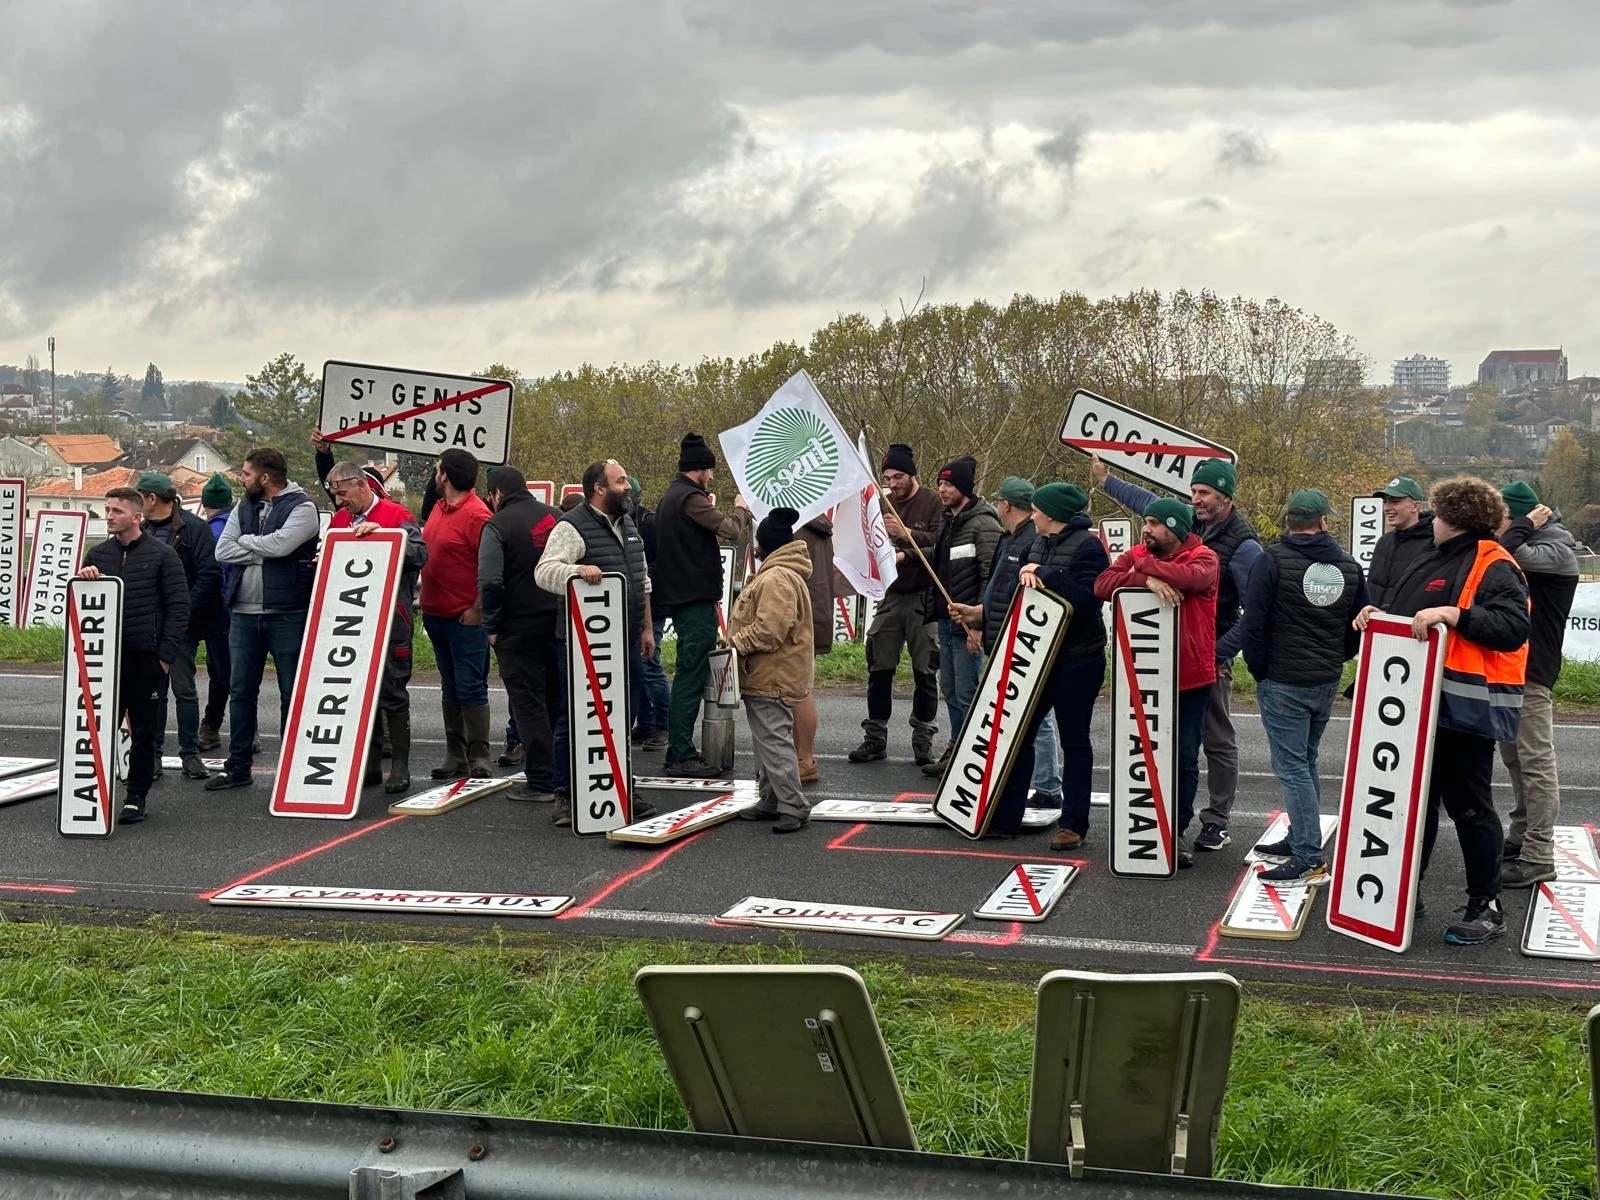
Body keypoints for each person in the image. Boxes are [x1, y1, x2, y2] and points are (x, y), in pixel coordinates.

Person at [1354, 476, 1530, 945]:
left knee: (1471, 808)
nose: (1432, 520)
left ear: (1454, 518)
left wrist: (1456, 615)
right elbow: (1408, 616)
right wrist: (1376, 619)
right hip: (1419, 707)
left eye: (1437, 513)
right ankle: (1404, 892)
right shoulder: (1432, 556)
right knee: (1417, 805)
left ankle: (1486, 907)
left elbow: (1514, 626)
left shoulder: (1495, 563)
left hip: (1465, 711)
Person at [1092, 455, 1258, 852]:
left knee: (1215, 741)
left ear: (1226, 497)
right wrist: (1108, 481)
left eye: (1204, 493)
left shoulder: (1243, 544)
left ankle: (1216, 820)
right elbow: (1148, 503)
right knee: (1158, 745)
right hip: (1161, 658)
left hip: (1208, 654)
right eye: (1194, 493)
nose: (1196, 499)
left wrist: (1221, 652)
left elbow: (1254, 611)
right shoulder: (1185, 523)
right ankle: (1156, 821)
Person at [1241, 489, 1367, 886]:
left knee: (1292, 766)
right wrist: (1337, 659)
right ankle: (1300, 835)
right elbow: (1358, 625)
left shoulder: (1271, 560)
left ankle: (1308, 855)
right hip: (1325, 678)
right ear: (1325, 522)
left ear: (1288, 522)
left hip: (1283, 679)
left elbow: (1254, 622)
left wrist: (1260, 670)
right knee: (1306, 760)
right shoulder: (1349, 566)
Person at [1094, 498, 1219, 867]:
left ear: (1175, 529)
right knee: (1143, 755)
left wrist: (1145, 566)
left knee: (1182, 758)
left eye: (1153, 523)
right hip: (1143, 675)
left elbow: (1190, 579)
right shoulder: (1136, 555)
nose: (1145, 529)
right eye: (1144, 522)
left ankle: (1175, 831)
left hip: (1190, 678)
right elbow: (1102, 584)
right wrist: (1143, 578)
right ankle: (1143, 827)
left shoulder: (1204, 557)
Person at [534, 458, 657, 827]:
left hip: (627, 638)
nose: (629, 489)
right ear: (599, 488)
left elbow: (642, 580)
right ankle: (565, 794)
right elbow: (544, 571)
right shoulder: (572, 526)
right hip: (582, 644)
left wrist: (647, 628)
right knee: (575, 718)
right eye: (621, 482)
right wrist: (576, 572)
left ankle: (621, 787)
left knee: (622, 717)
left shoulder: (630, 524)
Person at [984, 484, 1109, 843]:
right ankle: (1006, 818)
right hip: (1036, 657)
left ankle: (1073, 824)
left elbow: (1088, 599)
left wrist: (1047, 574)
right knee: (1019, 735)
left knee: (1075, 740)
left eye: (1037, 510)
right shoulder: (1036, 543)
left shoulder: (1089, 546)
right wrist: (1026, 576)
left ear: (1052, 515)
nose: (1033, 514)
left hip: (1077, 659)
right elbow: (1018, 587)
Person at [947, 476, 1064, 812]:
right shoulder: (1009, 537)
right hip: (1000, 633)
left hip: (1022, 639)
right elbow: (1000, 591)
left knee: (1034, 717)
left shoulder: (1031, 540)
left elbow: (1024, 595)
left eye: (999, 501)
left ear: (1007, 504)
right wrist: (978, 617)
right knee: (1013, 715)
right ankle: (1026, 783)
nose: (997, 506)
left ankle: (1046, 787)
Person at [208, 448, 319, 791]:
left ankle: (293, 767)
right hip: (242, 612)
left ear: (265, 478)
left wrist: (252, 546)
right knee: (240, 691)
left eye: (246, 473)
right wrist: (263, 551)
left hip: (288, 613)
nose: (242, 479)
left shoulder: (303, 508)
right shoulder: (244, 507)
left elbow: (283, 546)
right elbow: (222, 550)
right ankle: (238, 766)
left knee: (292, 692)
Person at [76, 487, 190, 824]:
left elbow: (179, 607)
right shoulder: (97, 554)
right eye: (107, 509)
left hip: (145, 658)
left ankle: (135, 797)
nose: (109, 516)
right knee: (97, 728)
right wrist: (85, 581)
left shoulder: (163, 555)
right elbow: (80, 606)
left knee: (144, 732)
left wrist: (164, 657)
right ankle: (93, 790)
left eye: (116, 511)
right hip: (104, 658)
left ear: (137, 517)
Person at [323, 458, 427, 794]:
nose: (340, 502)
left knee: (392, 690)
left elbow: (419, 554)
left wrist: (386, 536)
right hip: (349, 619)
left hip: (392, 616)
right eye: (335, 495)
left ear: (361, 485)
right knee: (357, 691)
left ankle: (399, 764)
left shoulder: (398, 516)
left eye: (343, 493)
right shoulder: (340, 520)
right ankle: (368, 763)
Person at [652, 432, 751, 778]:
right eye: (710, 471)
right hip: (692, 599)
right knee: (691, 674)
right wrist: (740, 509)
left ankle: (679, 749)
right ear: (700, 470)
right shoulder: (690, 499)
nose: (712, 477)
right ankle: (679, 752)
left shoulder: (672, 496)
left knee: (688, 671)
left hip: (683, 596)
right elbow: (730, 531)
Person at [1496, 481, 1579, 888]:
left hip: (1533, 671)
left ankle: (1539, 854)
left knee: (1537, 763)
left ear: (1520, 517)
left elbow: (1507, 553)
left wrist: (1522, 525)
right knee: (1514, 759)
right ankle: (1521, 834)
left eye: (1501, 518)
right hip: (1509, 669)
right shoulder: (1529, 537)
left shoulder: (1556, 550)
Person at [849, 443, 942, 765]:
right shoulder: (879, 501)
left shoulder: (932, 501)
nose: (893, 483)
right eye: (887, 477)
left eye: (898, 476)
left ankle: (923, 738)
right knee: (878, 666)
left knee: (925, 670)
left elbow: (940, 543)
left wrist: (905, 534)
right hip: (889, 594)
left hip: (923, 596)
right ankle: (875, 736)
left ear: (911, 475)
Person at [480, 466, 567, 802]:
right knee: (557, 700)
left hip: (517, 627)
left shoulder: (497, 525)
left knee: (528, 705)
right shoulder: (558, 517)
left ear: (496, 494)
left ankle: (542, 779)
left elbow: (490, 580)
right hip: (558, 623)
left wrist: (492, 624)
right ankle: (564, 774)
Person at [728, 508, 815, 833]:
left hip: (771, 674)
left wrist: (735, 644)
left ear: (764, 545)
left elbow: (770, 630)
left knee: (774, 740)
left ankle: (793, 805)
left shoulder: (776, 577)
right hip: (772, 672)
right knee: (767, 739)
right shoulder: (781, 573)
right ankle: (770, 799)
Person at [136, 472, 223, 782]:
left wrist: (183, 612)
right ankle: (153, 755)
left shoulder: (194, 529)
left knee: (184, 690)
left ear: (151, 498)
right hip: (148, 626)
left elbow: (210, 574)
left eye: (139, 497)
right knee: (152, 695)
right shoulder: (140, 529)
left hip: (181, 625)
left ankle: (190, 754)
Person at [923, 456, 1003, 777]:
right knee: (951, 689)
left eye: (949, 484)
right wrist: (907, 552)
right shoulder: (947, 520)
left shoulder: (983, 524)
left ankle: (974, 755)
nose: (942, 490)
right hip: (946, 617)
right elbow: (941, 558)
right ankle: (957, 746)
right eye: (940, 483)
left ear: (965, 489)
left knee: (968, 692)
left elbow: (991, 576)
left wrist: (980, 624)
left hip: (967, 623)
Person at [420, 448, 494, 780]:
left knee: (470, 687)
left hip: (464, 617)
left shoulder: (478, 515)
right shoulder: (438, 508)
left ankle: (479, 754)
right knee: (449, 686)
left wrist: (477, 609)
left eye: (437, 470)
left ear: (445, 476)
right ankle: (455, 752)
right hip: (435, 613)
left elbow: (491, 568)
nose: (435, 475)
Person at [630, 474, 670, 751]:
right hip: (634, 603)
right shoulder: (625, 522)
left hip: (652, 603)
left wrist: (636, 579)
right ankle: (644, 723)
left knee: (650, 664)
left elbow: (661, 564)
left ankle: (663, 726)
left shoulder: (650, 523)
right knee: (638, 665)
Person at [795, 514, 835, 784]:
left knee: (797, 689)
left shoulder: (796, 530)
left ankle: (802, 760)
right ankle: (803, 758)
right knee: (802, 687)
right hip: (815, 613)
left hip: (798, 615)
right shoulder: (818, 528)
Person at [197, 473, 235, 752]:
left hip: (216, 610)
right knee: (237, 671)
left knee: (221, 672)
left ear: (204, 503)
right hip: (240, 606)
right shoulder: (239, 525)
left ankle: (211, 726)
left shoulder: (207, 532)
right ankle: (247, 729)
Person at [1367, 476, 1433, 610]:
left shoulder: (1434, 543)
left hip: (1410, 627)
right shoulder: (1384, 541)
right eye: (1385, 502)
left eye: (1395, 502)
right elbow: (1373, 587)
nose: (1387, 508)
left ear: (1415, 506)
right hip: (1377, 626)